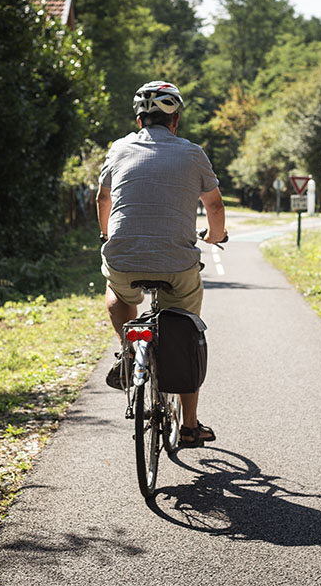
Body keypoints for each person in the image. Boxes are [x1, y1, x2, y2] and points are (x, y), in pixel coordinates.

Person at [97, 80, 227, 447]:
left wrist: (108, 236)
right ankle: (190, 426)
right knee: (185, 330)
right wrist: (215, 237)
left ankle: (127, 350)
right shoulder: (192, 153)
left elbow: (102, 198)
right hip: (177, 264)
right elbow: (214, 206)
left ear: (139, 120)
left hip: (123, 258)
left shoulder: (119, 149)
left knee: (117, 291)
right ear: (176, 120)